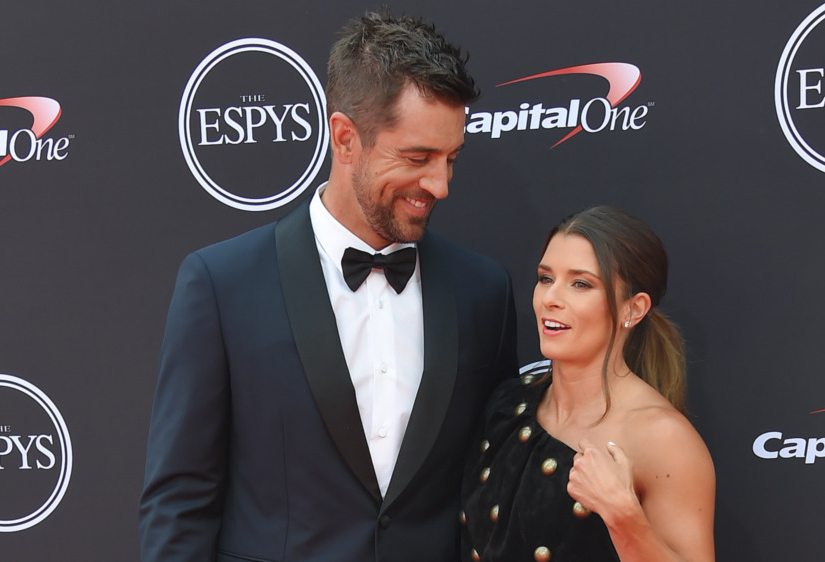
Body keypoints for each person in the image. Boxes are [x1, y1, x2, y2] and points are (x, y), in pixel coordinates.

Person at [139, 12, 518, 562]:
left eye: (451, 159)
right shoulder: (221, 286)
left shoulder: (483, 292)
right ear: (345, 138)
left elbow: (492, 491)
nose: (440, 184)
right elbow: (180, 502)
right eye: (417, 158)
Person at [461, 206, 715, 562]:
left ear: (633, 309)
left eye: (581, 284)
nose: (550, 298)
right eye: (546, 278)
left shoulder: (663, 438)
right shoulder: (509, 403)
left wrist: (624, 517)